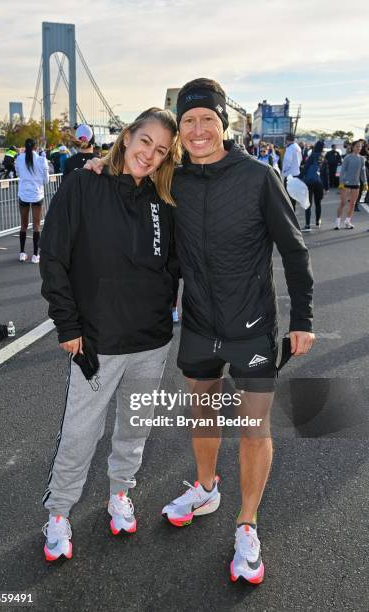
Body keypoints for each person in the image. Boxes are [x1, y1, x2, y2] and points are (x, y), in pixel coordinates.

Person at [85, 78, 315, 585]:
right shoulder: (174, 179)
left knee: (254, 429)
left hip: (252, 324)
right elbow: (130, 177)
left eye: (206, 119)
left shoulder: (258, 176)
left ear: (223, 124)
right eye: (188, 121)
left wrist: (303, 318)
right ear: (180, 128)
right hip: (199, 322)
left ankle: (247, 523)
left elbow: (294, 251)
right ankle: (207, 487)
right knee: (204, 411)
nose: (197, 129)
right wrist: (100, 164)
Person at [39, 108, 180, 562]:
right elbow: (54, 255)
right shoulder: (84, 182)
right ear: (127, 136)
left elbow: (172, 262)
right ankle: (59, 513)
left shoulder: (164, 198)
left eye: (160, 151)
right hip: (98, 340)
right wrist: (68, 324)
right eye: (145, 142)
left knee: (133, 429)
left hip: (152, 339)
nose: (149, 155)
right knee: (80, 432)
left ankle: (120, 493)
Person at [15, 138, 49, 263]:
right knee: (36, 226)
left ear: (25, 147)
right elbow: (46, 181)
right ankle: (35, 255)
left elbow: (18, 173)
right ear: (36, 147)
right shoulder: (41, 160)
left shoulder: (19, 158)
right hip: (36, 195)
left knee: (23, 225)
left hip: (23, 194)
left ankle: (22, 253)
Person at [335, 140, 367, 230]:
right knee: (343, 203)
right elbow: (342, 171)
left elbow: (363, 172)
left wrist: (365, 183)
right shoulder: (347, 158)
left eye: (360, 147)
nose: (359, 148)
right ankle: (337, 222)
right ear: (353, 147)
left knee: (352, 204)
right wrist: (341, 183)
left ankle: (347, 222)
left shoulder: (362, 159)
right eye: (357, 146)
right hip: (346, 184)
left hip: (356, 184)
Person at [300, 140, 329, 231]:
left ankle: (307, 225)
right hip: (319, 183)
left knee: (308, 204)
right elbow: (325, 174)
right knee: (318, 203)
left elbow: (305, 169)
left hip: (309, 182)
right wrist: (326, 187)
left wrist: (298, 178)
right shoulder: (324, 158)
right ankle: (317, 221)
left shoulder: (312, 156)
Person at [282, 133, 302, 209]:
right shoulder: (297, 147)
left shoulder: (290, 148)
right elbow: (300, 159)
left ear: (287, 140)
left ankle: (289, 209)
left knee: (288, 194)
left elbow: (287, 160)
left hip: (290, 174)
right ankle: (293, 208)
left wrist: (284, 170)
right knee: (294, 193)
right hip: (297, 173)